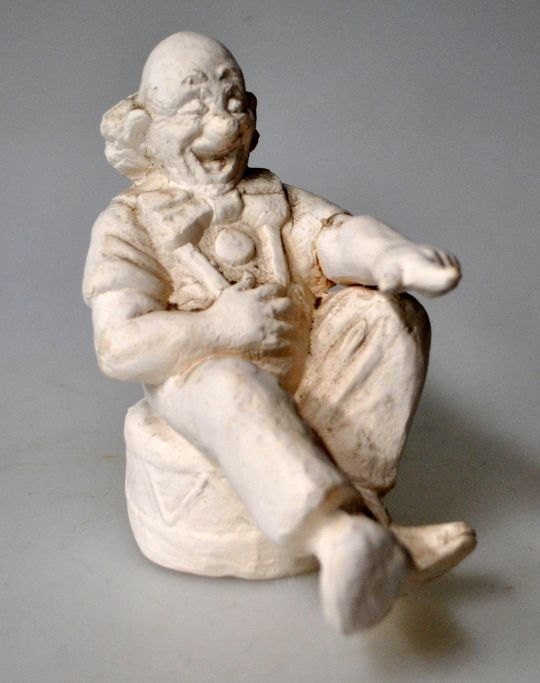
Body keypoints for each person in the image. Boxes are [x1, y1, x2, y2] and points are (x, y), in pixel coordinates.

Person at [84, 32, 475, 634]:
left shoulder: (272, 197)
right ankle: (338, 537)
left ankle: (366, 518)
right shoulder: (130, 222)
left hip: (297, 368)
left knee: (390, 317)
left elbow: (336, 236)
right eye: (193, 109)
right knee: (229, 384)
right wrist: (218, 327)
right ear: (147, 130)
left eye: (233, 102)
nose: (223, 123)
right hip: (201, 379)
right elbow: (119, 345)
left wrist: (392, 255)